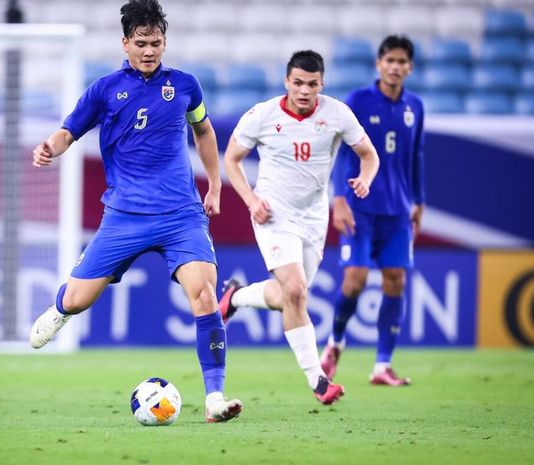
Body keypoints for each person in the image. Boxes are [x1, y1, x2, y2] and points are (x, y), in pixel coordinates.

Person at [29, 0, 242, 423]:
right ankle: (60, 309)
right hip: (124, 215)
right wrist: (50, 147)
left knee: (203, 294)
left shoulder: (185, 86)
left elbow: (203, 129)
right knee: (77, 299)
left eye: (156, 43)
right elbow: (69, 130)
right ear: (125, 43)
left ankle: (215, 398)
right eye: (141, 43)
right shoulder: (105, 90)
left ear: (165, 43)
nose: (149, 51)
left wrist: (215, 183)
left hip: (181, 214)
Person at [218, 50, 380, 405]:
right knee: (295, 290)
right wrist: (251, 200)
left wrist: (365, 179)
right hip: (272, 213)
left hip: (314, 219)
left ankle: (236, 296)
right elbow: (230, 160)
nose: (304, 91)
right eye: (297, 83)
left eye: (312, 84)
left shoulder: (337, 114)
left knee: (289, 295)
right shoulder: (262, 115)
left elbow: (370, 154)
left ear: (322, 84)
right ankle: (319, 381)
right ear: (286, 82)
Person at [320, 35, 425, 386]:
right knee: (356, 279)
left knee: (397, 279)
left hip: (397, 211)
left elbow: (416, 157)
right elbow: (342, 153)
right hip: (360, 206)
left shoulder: (415, 107)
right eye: (389, 60)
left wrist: (419, 201)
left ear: (409, 67)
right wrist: (338, 199)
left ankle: (382, 365)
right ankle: (335, 342)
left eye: (402, 61)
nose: (395, 66)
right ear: (379, 64)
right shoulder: (358, 102)